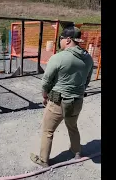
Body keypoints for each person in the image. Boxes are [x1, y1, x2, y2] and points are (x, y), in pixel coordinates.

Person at [30, 26, 94, 167]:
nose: (60, 42)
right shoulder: (88, 58)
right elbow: (87, 81)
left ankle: (44, 160)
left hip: (58, 101)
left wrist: (45, 96)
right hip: (77, 101)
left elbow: (46, 81)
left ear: (68, 40)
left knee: (48, 131)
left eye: (61, 39)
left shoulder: (58, 57)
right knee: (72, 127)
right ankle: (77, 152)